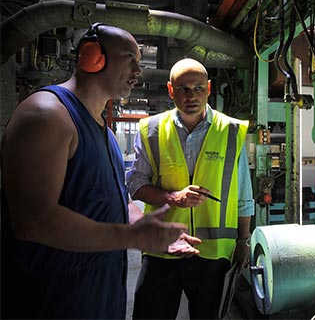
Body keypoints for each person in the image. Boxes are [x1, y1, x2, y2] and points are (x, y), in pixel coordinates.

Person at [0, 23, 201, 319]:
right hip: (49, 301)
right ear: (92, 56)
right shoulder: (46, 115)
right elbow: (33, 221)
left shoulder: (104, 133)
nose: (138, 70)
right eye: (129, 58)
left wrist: (145, 226)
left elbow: (117, 200)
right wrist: (131, 239)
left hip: (97, 298)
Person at [128, 58, 255, 320]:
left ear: (208, 88)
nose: (191, 95)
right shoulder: (151, 130)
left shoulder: (231, 131)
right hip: (163, 245)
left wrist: (243, 240)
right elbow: (135, 184)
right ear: (171, 90)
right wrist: (172, 197)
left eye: (198, 88)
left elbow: (243, 195)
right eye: (183, 89)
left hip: (213, 253)